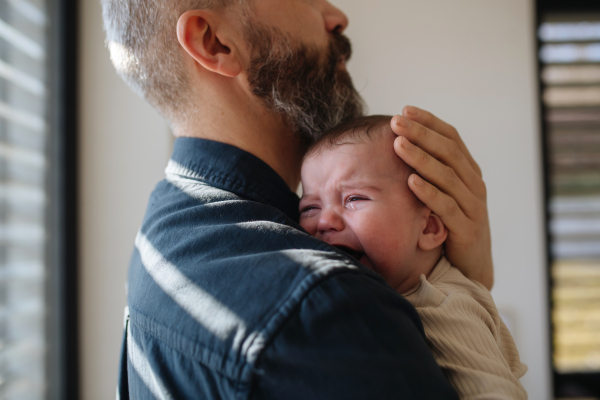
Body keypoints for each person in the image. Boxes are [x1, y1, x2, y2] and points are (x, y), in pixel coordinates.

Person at [102, 0, 494, 398]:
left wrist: (464, 284)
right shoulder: (328, 310)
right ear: (215, 43)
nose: (338, 17)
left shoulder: (164, 229)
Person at [299, 115, 528, 400]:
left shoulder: (443, 307)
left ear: (429, 228)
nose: (324, 221)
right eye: (309, 207)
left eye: (354, 199)